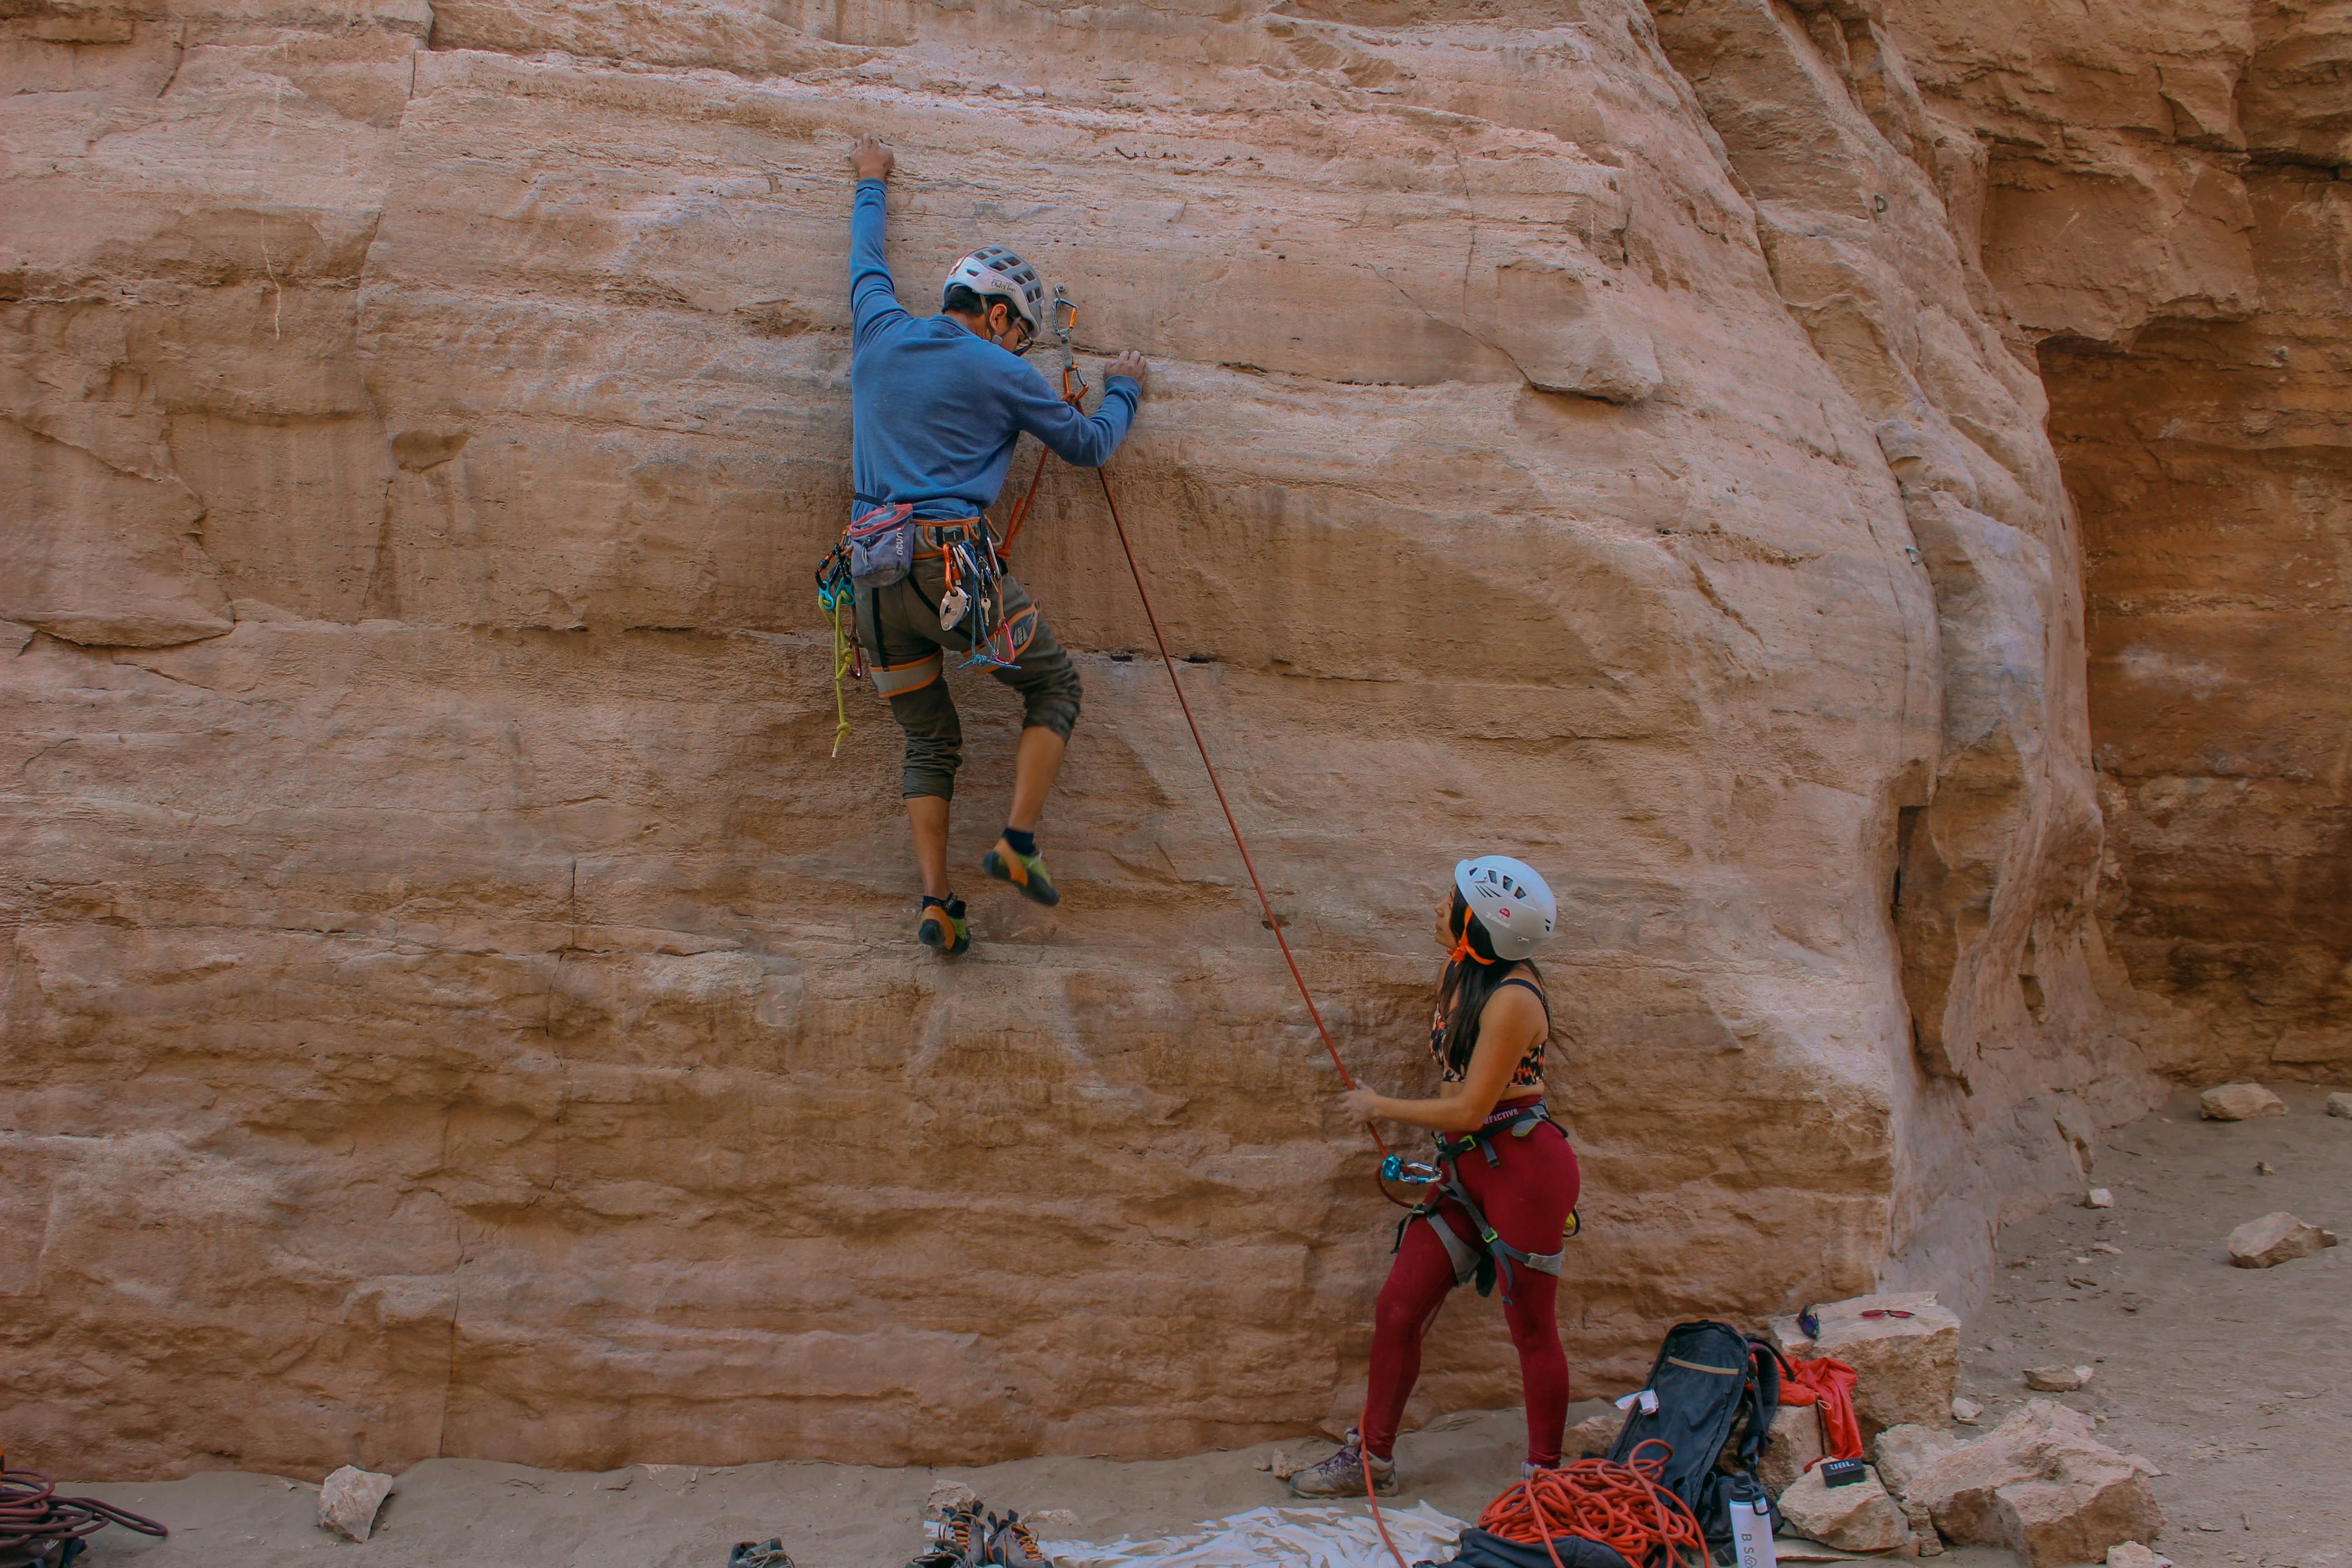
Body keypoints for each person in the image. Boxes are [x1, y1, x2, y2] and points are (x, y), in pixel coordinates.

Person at [843, 134, 1149, 956]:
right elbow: (1086, 446)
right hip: (953, 571)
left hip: (869, 583)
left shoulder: (877, 329)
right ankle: (1016, 842)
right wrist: (1123, 391)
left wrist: (871, 179)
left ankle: (937, 902)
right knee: (1053, 689)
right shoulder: (1001, 369)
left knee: (928, 738)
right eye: (1019, 333)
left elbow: (865, 260)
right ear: (1003, 317)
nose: (1018, 347)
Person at [1290, 855, 1579, 1499]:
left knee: (1532, 1327)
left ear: (1479, 923)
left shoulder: (1511, 1001)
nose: (1439, 907)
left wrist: (1379, 1107)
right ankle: (1373, 1461)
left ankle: (1546, 1480)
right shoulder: (1463, 970)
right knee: (1398, 1308)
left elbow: (1472, 1107)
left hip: (1524, 1174)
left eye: (1452, 900)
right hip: (1469, 1169)